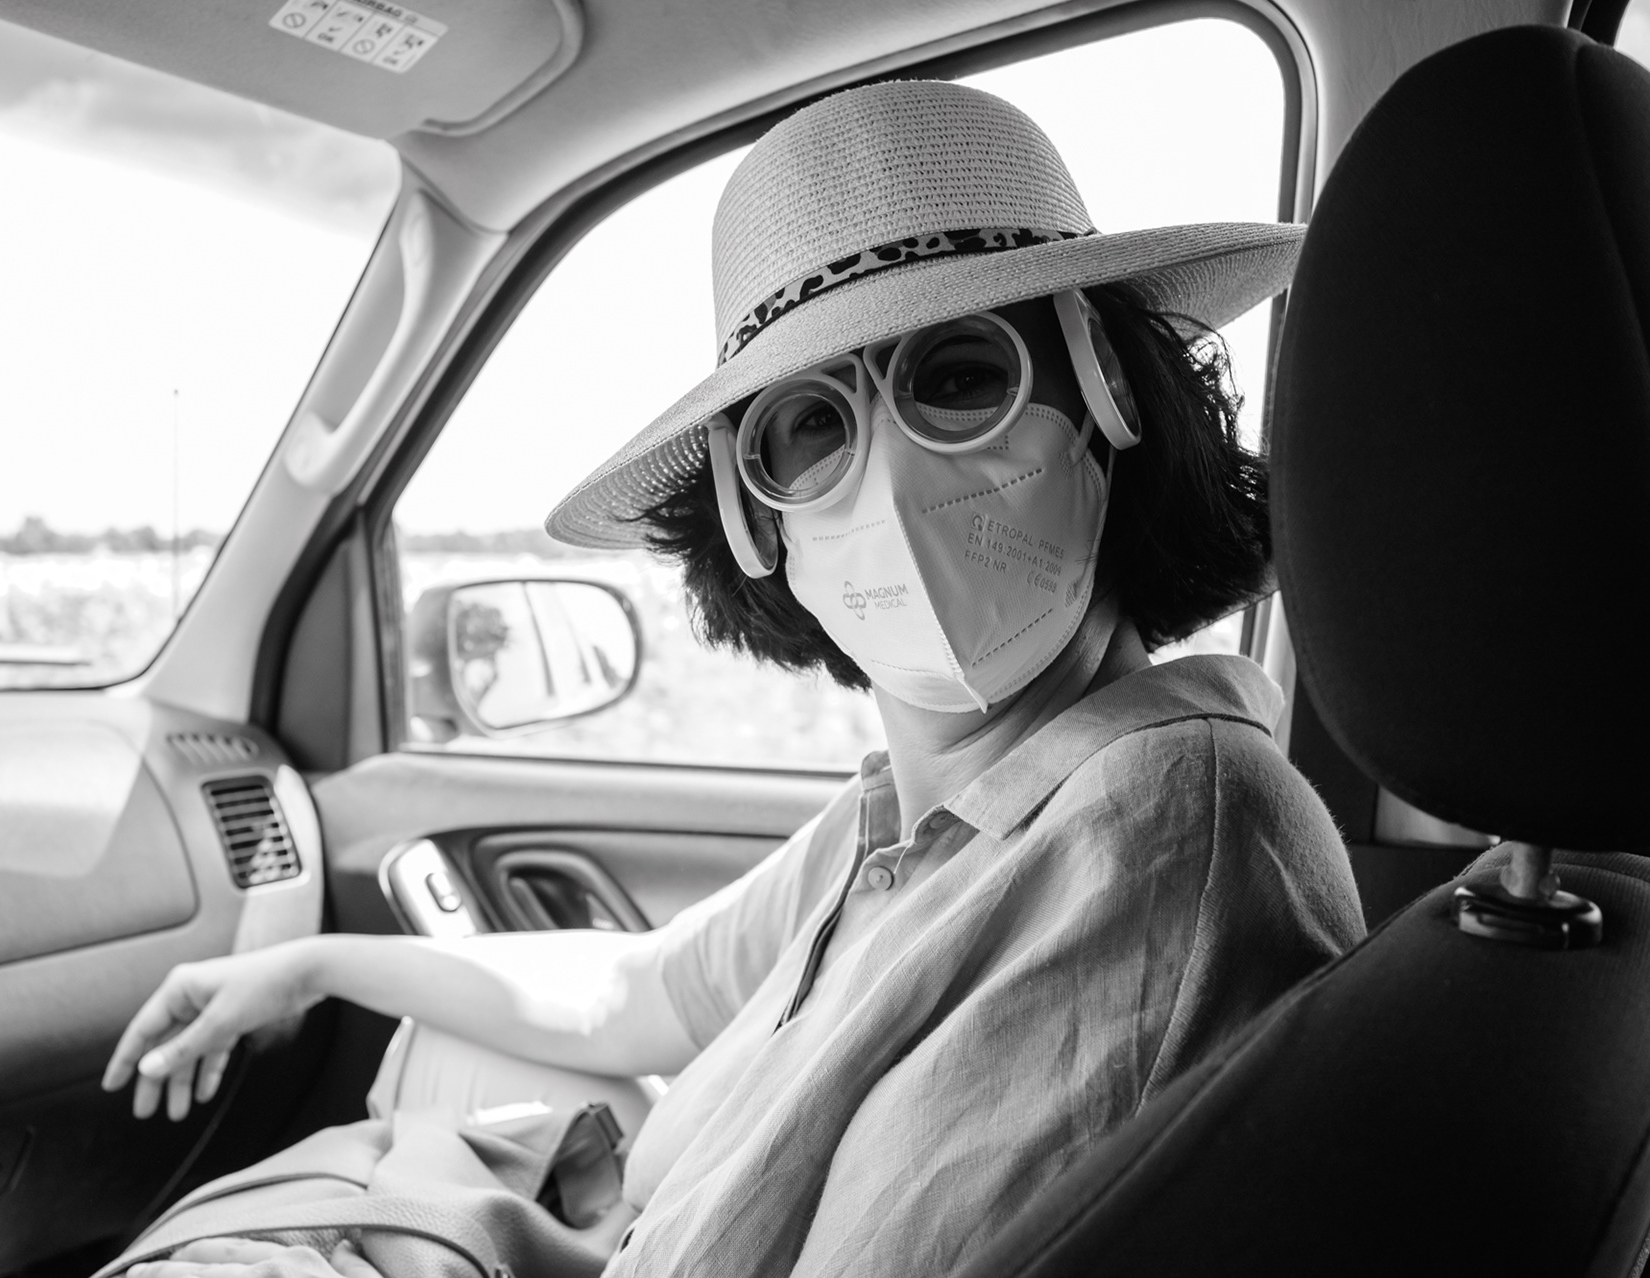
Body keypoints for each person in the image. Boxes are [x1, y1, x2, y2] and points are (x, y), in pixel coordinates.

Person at [106, 80, 1365, 1277]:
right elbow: (635, 991)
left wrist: (452, 1221)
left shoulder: (1160, 833)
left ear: (1109, 398)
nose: (894, 478)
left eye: (960, 377)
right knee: (445, 1048)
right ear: (758, 522)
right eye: (810, 424)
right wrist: (307, 966)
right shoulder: (913, 819)